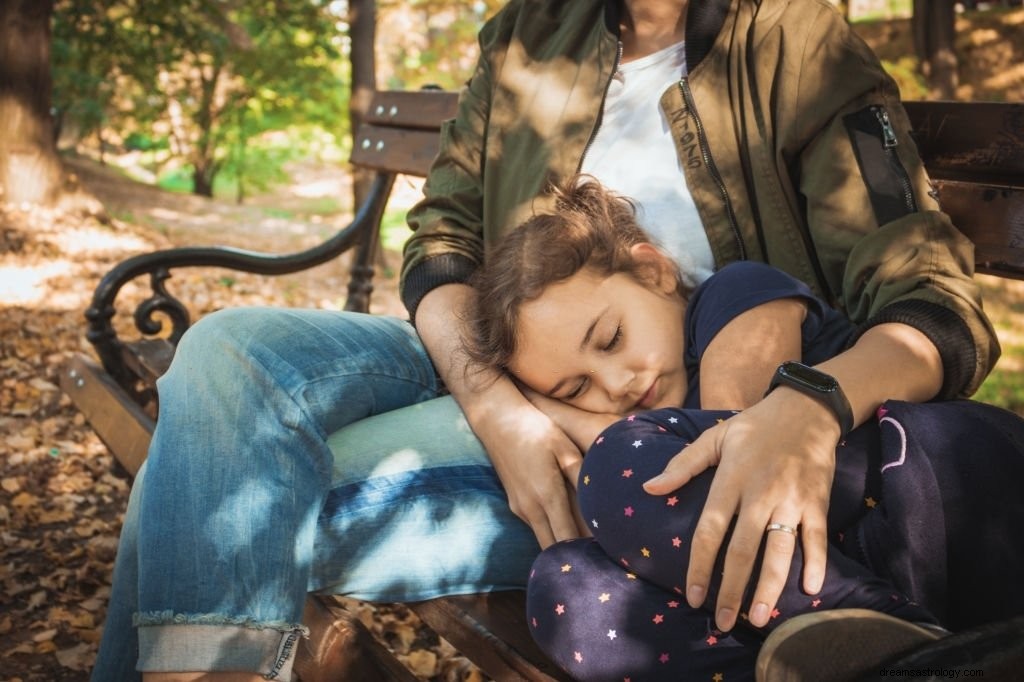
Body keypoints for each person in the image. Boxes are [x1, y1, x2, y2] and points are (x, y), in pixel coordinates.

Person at [91, 0, 1001, 679]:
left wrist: (807, 403)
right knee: (225, 358)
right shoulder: (530, 33)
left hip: (669, 426)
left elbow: (928, 295)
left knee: (208, 486)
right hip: (507, 361)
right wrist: (501, 408)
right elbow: (443, 237)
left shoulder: (790, 40)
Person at [462, 177, 1024, 680]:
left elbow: (740, 443)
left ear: (653, 272)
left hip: (942, 493)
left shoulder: (734, 296)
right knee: (565, 589)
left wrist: (559, 415)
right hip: (901, 586)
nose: (616, 384)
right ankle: (876, 654)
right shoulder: (645, 441)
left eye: (611, 339)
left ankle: (896, 650)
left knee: (617, 462)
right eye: (575, 389)